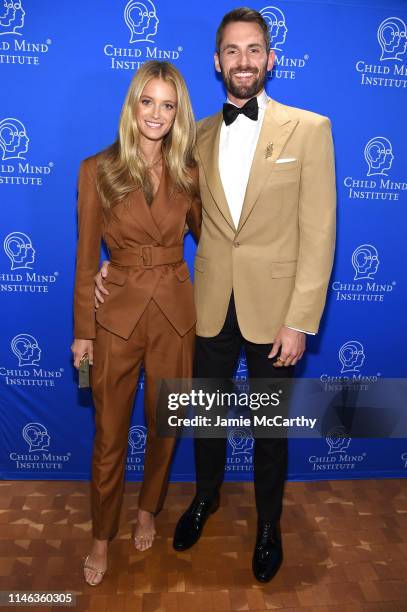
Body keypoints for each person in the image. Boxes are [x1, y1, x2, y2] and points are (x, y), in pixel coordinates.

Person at [95, 7, 336, 584]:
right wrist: (117, 269)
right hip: (204, 308)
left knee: (269, 428)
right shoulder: (195, 136)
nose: (243, 61)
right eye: (232, 51)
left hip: (275, 313)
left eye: (254, 50)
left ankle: (269, 526)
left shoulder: (309, 129)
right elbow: (174, 218)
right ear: (217, 61)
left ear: (270, 58)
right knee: (205, 417)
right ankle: (205, 499)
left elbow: (319, 232)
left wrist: (300, 320)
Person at [71, 60, 201, 587]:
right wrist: (83, 329)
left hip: (174, 313)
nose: (157, 114)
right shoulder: (96, 169)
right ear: (132, 104)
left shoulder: (190, 171)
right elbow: (85, 259)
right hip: (116, 315)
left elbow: (211, 244)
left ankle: (148, 509)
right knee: (108, 434)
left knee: (166, 426)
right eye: (148, 101)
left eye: (168, 105)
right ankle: (102, 534)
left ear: (178, 113)